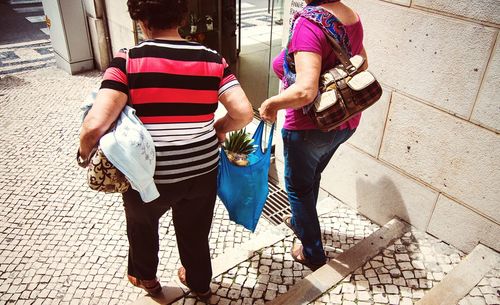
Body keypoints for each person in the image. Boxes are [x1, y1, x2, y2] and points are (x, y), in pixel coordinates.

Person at [79, 0, 253, 298]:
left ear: (141, 20)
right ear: (181, 17)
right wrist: (218, 130)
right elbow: (244, 112)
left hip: (146, 174)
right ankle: (199, 284)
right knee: (195, 233)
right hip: (201, 172)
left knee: (142, 226)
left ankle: (147, 279)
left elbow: (94, 126)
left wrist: (84, 154)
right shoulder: (212, 59)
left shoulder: (128, 60)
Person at [259, 0, 368, 271]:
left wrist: (271, 105)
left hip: (311, 127)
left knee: (297, 187)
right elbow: (362, 64)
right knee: (311, 176)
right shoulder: (351, 16)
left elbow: (305, 91)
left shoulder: (309, 24)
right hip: (345, 121)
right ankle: (299, 220)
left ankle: (312, 254)